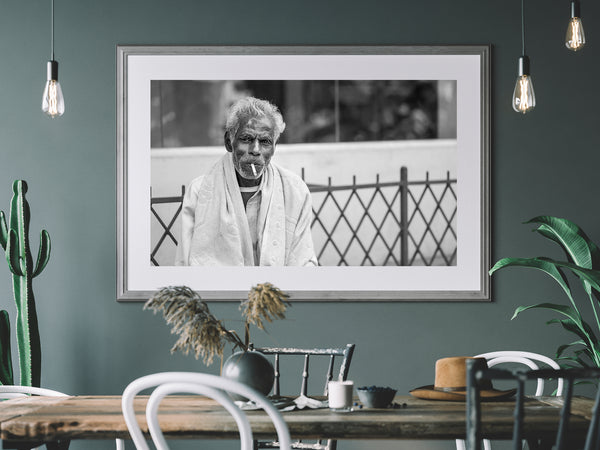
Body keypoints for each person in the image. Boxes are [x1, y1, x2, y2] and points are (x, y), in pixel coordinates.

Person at [174, 96, 318, 266]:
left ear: (274, 147)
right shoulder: (199, 191)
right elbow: (184, 263)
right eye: (246, 139)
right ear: (229, 142)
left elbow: (303, 261)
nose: (255, 150)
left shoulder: (295, 191)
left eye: (265, 142)